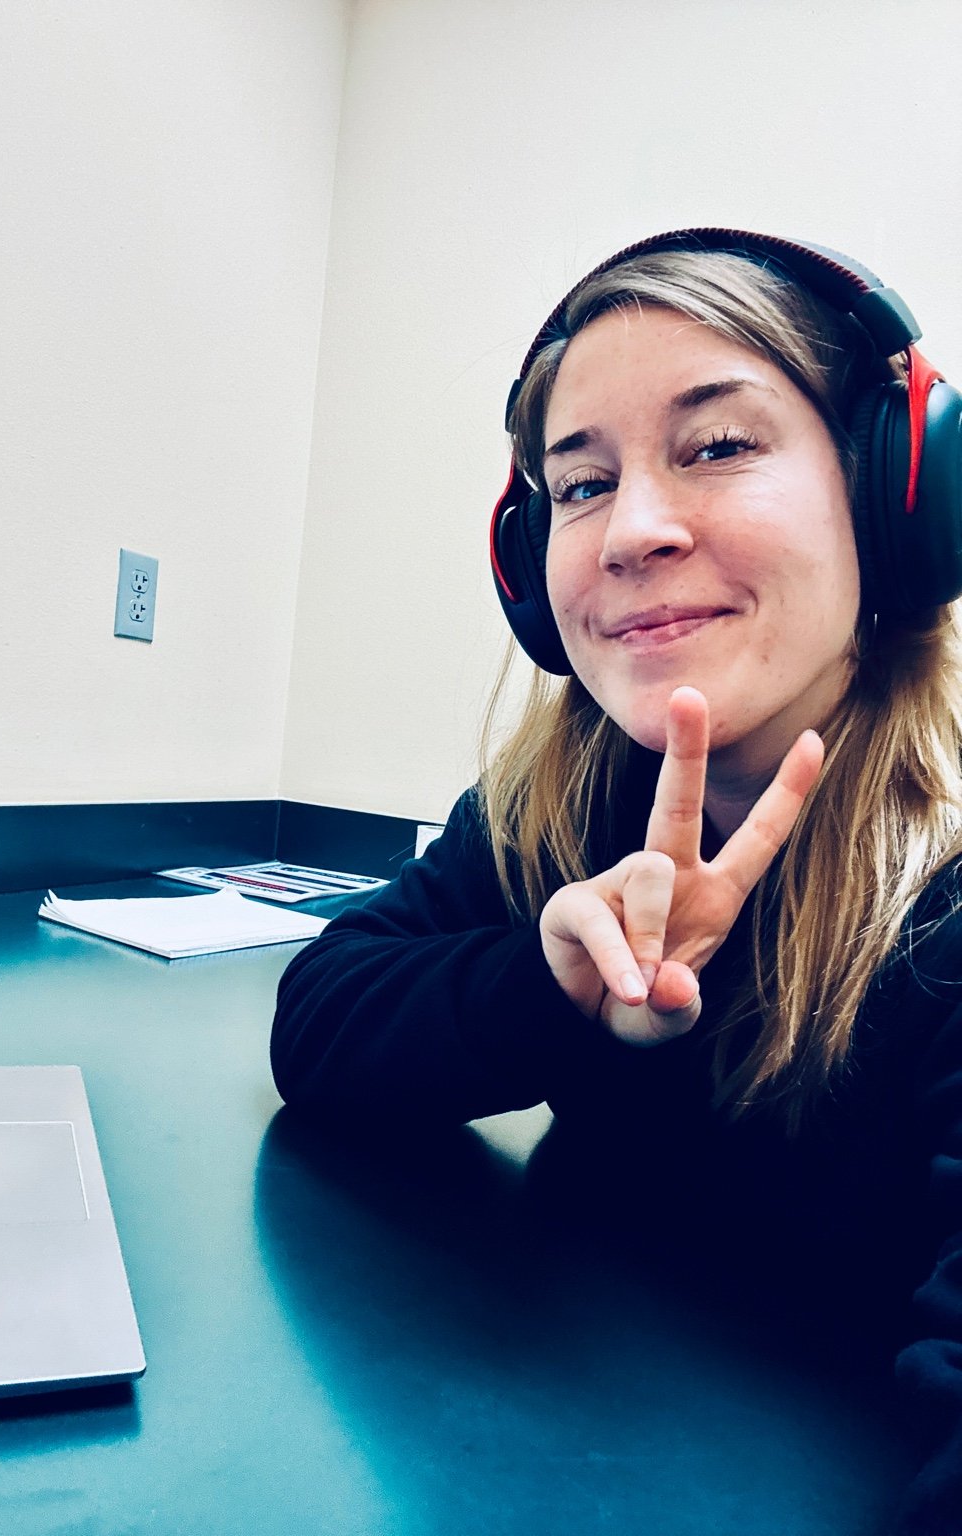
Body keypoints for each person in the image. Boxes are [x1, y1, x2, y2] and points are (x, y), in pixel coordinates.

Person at [269, 229, 962, 1534]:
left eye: (716, 446)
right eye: (581, 484)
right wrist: (550, 982)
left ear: (897, 495)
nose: (633, 528)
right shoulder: (556, 807)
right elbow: (321, 1021)